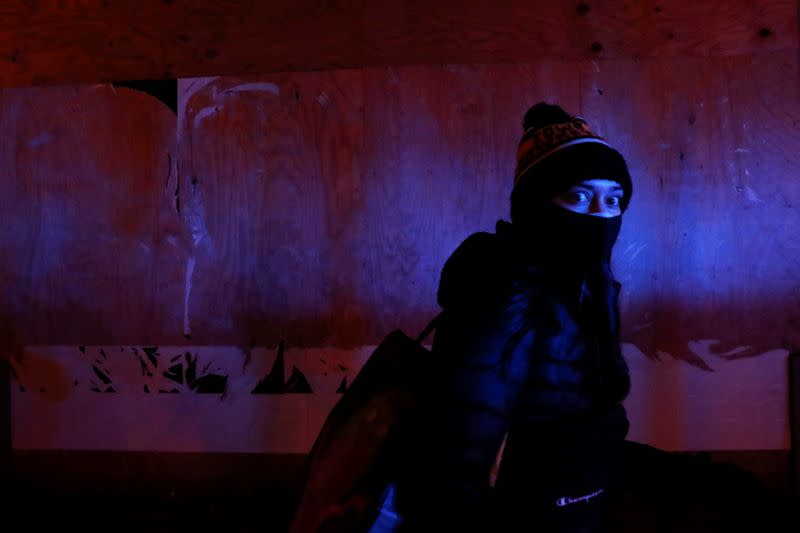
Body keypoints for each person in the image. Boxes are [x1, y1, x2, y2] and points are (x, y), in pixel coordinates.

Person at [384, 102, 635, 533]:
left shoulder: (586, 282)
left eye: (612, 199)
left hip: (570, 488)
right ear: (537, 202)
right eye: (577, 195)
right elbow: (468, 430)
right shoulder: (507, 286)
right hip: (526, 505)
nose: (600, 214)